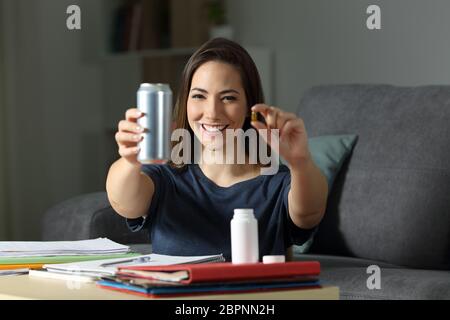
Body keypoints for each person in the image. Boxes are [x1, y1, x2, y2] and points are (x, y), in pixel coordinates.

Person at [106, 38, 328, 261]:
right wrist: (130, 160)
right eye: (199, 96)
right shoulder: (166, 178)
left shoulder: (277, 183)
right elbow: (124, 204)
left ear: (249, 106)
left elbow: (309, 214)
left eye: (228, 98)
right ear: (185, 102)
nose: (212, 112)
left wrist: (301, 162)